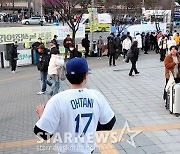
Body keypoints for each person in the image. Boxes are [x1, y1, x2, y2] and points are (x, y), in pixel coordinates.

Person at [34, 57, 116, 154]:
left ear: (67, 77)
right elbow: (109, 124)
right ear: (86, 76)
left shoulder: (57, 99)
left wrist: (41, 115)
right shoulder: (96, 96)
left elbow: (43, 134)